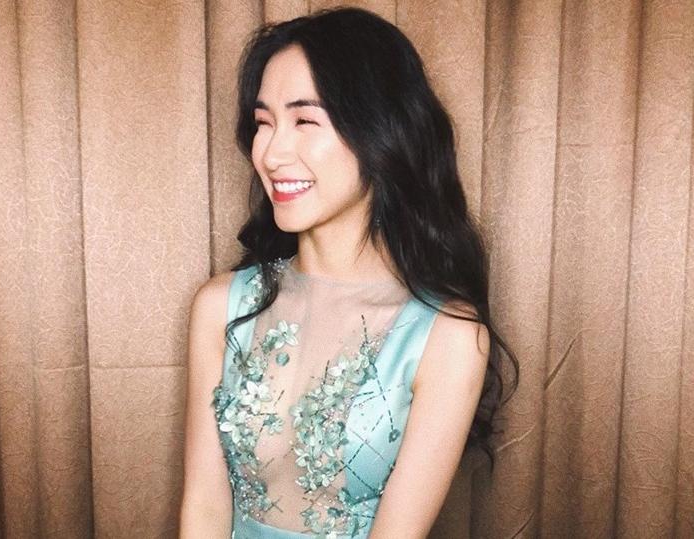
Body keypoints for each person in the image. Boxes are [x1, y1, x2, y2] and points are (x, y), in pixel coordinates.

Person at [180, 6, 518, 538]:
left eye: (305, 120)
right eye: (264, 122)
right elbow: (203, 507)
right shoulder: (221, 305)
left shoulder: (448, 335)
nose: (271, 153)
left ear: (380, 133)